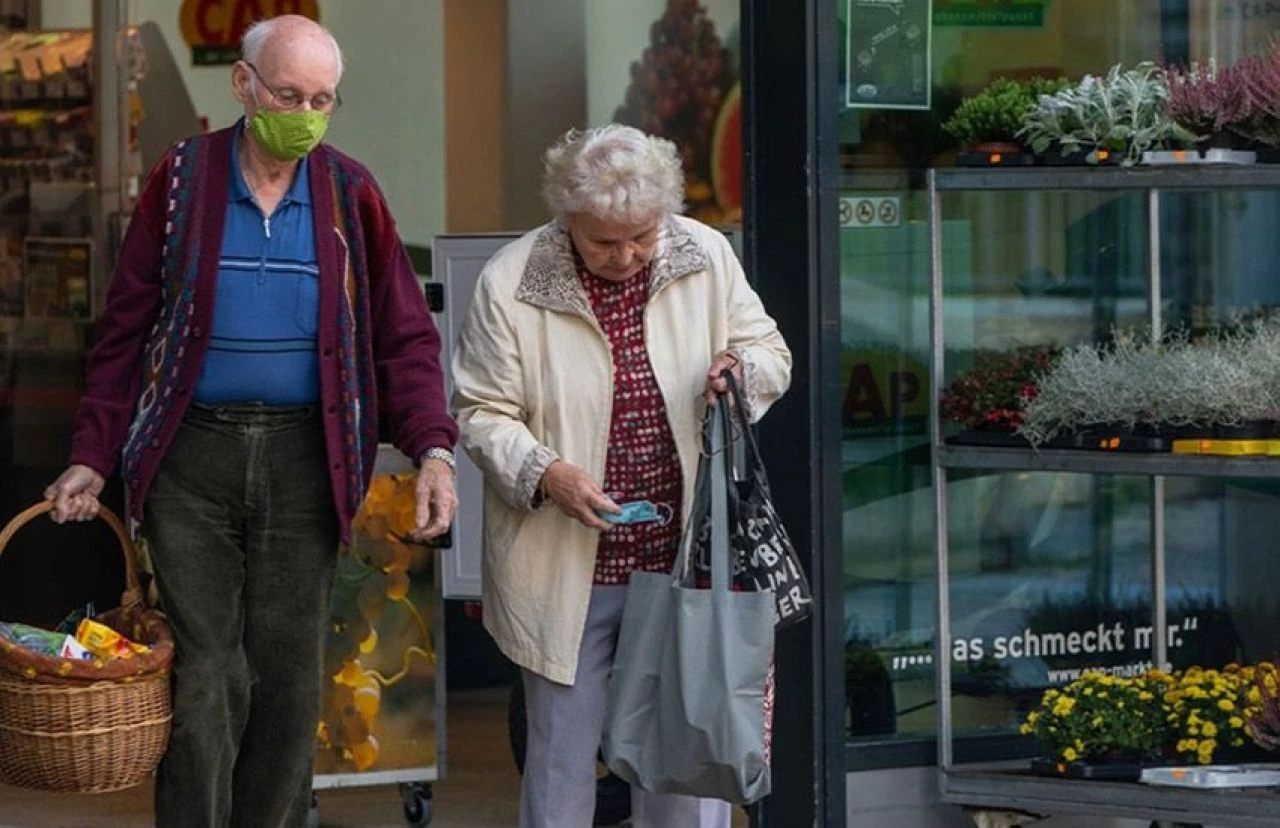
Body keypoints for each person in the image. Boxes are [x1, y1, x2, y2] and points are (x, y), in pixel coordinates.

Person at [44, 16, 458, 828]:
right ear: (244, 84)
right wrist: (94, 453)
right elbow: (125, 328)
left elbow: (403, 334)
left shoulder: (350, 192)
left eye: (321, 100)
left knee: (288, 674)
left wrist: (434, 450)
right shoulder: (183, 181)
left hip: (309, 457)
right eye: (287, 94)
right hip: (192, 457)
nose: (303, 112)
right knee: (204, 675)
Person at [452, 124, 791, 828]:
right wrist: (548, 473)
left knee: (685, 760)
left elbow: (768, 349)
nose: (626, 255)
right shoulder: (513, 279)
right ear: (566, 216)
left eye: (641, 235)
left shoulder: (705, 253)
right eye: (604, 240)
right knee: (561, 760)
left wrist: (742, 371)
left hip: (681, 557)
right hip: (565, 561)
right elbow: (481, 411)